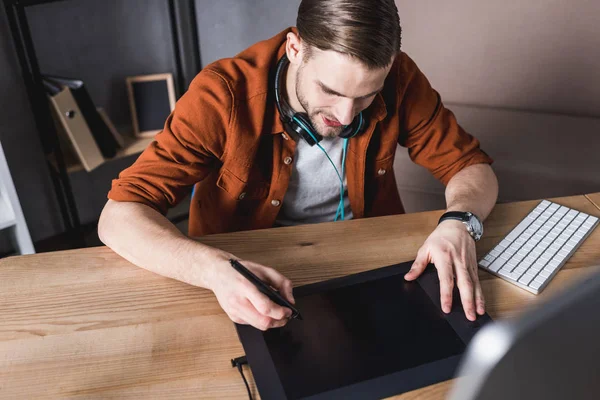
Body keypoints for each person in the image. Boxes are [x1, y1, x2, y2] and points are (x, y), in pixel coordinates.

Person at [99, 0, 498, 331]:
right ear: (295, 48)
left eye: (365, 96)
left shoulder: (400, 78)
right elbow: (117, 217)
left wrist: (458, 223)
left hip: (369, 264)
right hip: (244, 279)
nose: (345, 115)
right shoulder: (221, 95)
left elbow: (469, 166)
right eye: (330, 90)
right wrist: (214, 270)